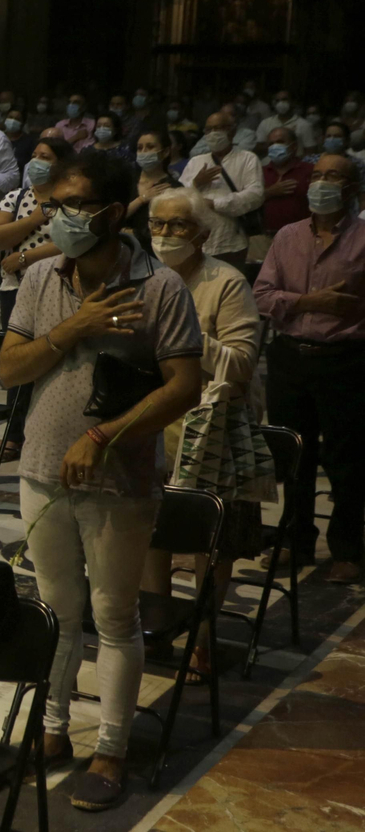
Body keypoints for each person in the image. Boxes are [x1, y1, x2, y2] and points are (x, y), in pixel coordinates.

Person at [0, 150, 204, 812]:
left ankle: (111, 747)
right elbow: (10, 369)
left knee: (114, 616)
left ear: (113, 214)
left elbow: (184, 387)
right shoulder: (41, 277)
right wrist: (74, 328)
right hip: (40, 469)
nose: (58, 218)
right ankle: (53, 730)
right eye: (53, 205)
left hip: (119, 480)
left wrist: (105, 436)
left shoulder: (159, 286)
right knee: (58, 612)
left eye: (73, 207)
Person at [138, 187, 264, 679]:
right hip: (152, 419)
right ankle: (158, 628)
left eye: (178, 226)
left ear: (203, 235)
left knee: (206, 543)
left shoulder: (226, 283)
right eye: (157, 225)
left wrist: (186, 331)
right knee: (152, 532)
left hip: (209, 429)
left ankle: (203, 636)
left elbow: (242, 364)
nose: (165, 235)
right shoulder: (142, 277)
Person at [253, 155, 365, 584]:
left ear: (353, 188)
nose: (321, 182)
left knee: (347, 459)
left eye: (333, 176)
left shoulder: (361, 237)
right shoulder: (287, 236)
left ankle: (348, 549)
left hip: (346, 360)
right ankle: (296, 540)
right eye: (316, 175)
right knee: (293, 453)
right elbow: (262, 296)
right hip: (290, 357)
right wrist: (305, 303)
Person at [0, 135, 75, 455]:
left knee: (53, 355)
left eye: (46, 157)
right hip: (15, 288)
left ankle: (51, 431)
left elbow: (69, 241)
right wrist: (36, 219)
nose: (36, 162)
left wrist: (25, 257)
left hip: (61, 284)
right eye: (35, 155)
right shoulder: (16, 196)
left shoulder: (70, 198)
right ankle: (14, 433)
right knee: (19, 358)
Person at [178, 111, 263, 266]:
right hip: (196, 241)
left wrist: (215, 204)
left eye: (218, 128)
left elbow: (255, 195)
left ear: (232, 131)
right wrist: (196, 183)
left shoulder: (248, 158)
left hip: (231, 241)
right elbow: (178, 197)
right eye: (208, 130)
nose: (212, 134)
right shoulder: (196, 161)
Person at [259, 126, 312, 262]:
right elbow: (247, 202)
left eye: (280, 142)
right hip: (265, 240)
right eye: (271, 144)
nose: (274, 146)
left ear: (294, 146)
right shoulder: (259, 172)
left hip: (302, 239)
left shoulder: (310, 170)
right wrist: (269, 193)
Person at [122, 130, 183, 241]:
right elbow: (113, 216)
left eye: (150, 147)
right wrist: (141, 199)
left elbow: (166, 228)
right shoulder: (126, 179)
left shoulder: (174, 187)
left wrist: (127, 232)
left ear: (165, 152)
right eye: (140, 148)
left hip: (153, 250)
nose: (144, 152)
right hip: (123, 248)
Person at [255, 90, 318, 154]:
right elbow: (258, 147)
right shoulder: (265, 123)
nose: (281, 103)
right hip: (269, 161)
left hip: (295, 162)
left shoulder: (304, 125)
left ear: (293, 102)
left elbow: (310, 151)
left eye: (284, 99)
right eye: (277, 101)